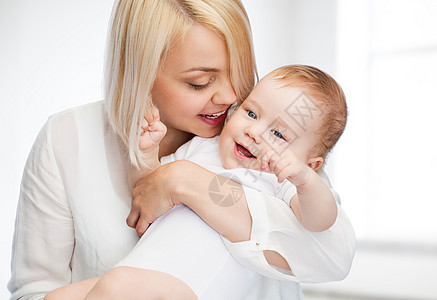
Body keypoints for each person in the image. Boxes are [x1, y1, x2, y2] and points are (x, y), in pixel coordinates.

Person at [8, 0, 355, 299]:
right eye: (199, 82)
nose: (231, 97)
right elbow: (147, 191)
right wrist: (152, 162)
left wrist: (189, 183)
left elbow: (331, 253)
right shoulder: (67, 138)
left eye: (238, 73)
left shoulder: (280, 154)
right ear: (139, 72)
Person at [45, 64, 347, 299]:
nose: (255, 132)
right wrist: (146, 154)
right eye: (251, 113)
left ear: (311, 164)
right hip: (145, 265)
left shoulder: (280, 181)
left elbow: (319, 222)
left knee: (117, 286)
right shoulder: (203, 148)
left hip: (187, 283)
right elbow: (149, 191)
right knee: (57, 297)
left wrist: (306, 181)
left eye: (278, 134)